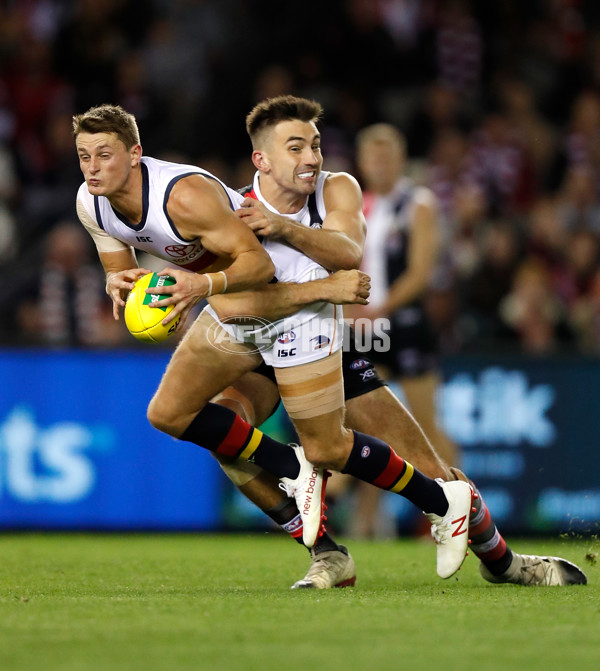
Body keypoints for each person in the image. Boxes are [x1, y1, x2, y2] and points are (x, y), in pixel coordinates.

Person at [73, 103, 474, 583]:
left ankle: (454, 514)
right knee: (171, 415)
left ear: (136, 154)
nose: (92, 167)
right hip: (237, 311)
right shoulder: (90, 201)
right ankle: (319, 531)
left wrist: (202, 286)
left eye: (104, 155)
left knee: (332, 449)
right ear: (262, 161)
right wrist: (118, 283)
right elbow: (120, 267)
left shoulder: (186, 198)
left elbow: (267, 266)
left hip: (293, 308)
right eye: (83, 157)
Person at [202, 96, 587, 589]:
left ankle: (504, 562)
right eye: (295, 147)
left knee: (428, 463)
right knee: (223, 430)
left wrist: (282, 228)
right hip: (260, 351)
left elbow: (349, 253)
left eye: (315, 146)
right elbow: (225, 294)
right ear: (263, 160)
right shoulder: (229, 210)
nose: (311, 158)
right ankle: (326, 552)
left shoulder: (338, 191)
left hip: (331, 346)